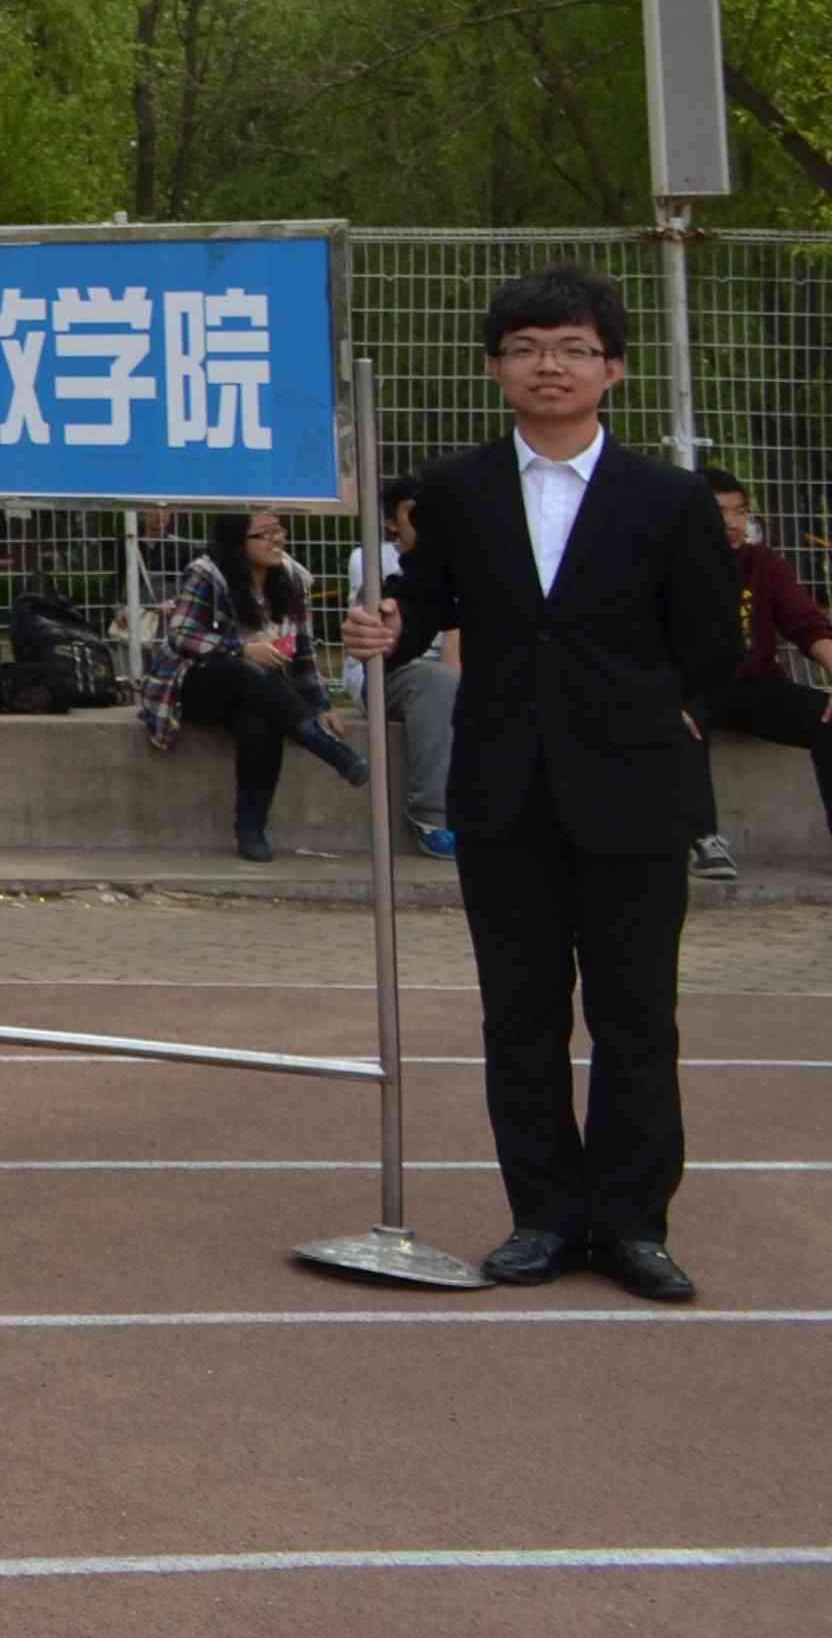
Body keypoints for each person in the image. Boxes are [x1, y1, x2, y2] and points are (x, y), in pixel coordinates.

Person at [340, 266, 737, 1304]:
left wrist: (678, 716)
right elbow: (421, 610)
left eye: (570, 348)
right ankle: (543, 1217)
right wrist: (383, 629)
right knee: (519, 1018)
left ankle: (634, 1225)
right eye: (524, 348)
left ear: (613, 368)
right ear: (495, 369)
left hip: (634, 791)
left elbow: (713, 641)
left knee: (636, 1017)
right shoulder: (458, 490)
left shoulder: (669, 498)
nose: (547, 366)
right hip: (504, 786)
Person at [139, 512, 368, 863]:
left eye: (279, 531)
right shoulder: (207, 572)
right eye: (265, 534)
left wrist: (322, 705)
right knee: (248, 672)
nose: (277, 540)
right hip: (199, 682)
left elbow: (302, 650)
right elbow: (182, 634)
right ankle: (326, 747)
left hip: (261, 690)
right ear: (237, 542)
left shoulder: (289, 578)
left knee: (261, 716)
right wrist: (241, 649)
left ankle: (251, 829)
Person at [692, 465, 831, 879]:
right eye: (719, 512)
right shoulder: (668, 564)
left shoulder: (762, 563)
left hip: (754, 687)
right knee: (684, 722)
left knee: (828, 717)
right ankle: (703, 840)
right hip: (691, 689)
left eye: (739, 512)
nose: (732, 523)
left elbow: (808, 626)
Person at [363, 475, 460, 862]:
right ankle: (432, 815)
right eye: (414, 513)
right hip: (389, 671)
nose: (426, 522)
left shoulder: (463, 554)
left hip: (445, 675)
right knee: (439, 681)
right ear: (391, 522)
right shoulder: (372, 560)